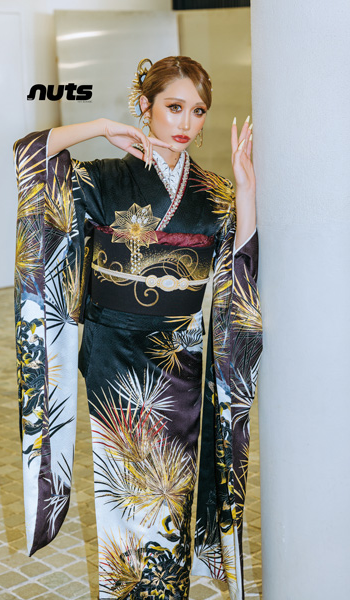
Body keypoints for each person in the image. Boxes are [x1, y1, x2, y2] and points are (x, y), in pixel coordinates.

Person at [13, 56, 262, 600]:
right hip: (113, 353)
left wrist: (245, 189)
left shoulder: (216, 191)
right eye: (174, 107)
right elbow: (33, 154)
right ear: (144, 106)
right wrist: (102, 127)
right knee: (124, 496)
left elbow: (237, 266)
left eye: (198, 111)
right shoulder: (103, 177)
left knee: (173, 490)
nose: (187, 123)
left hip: (178, 357)